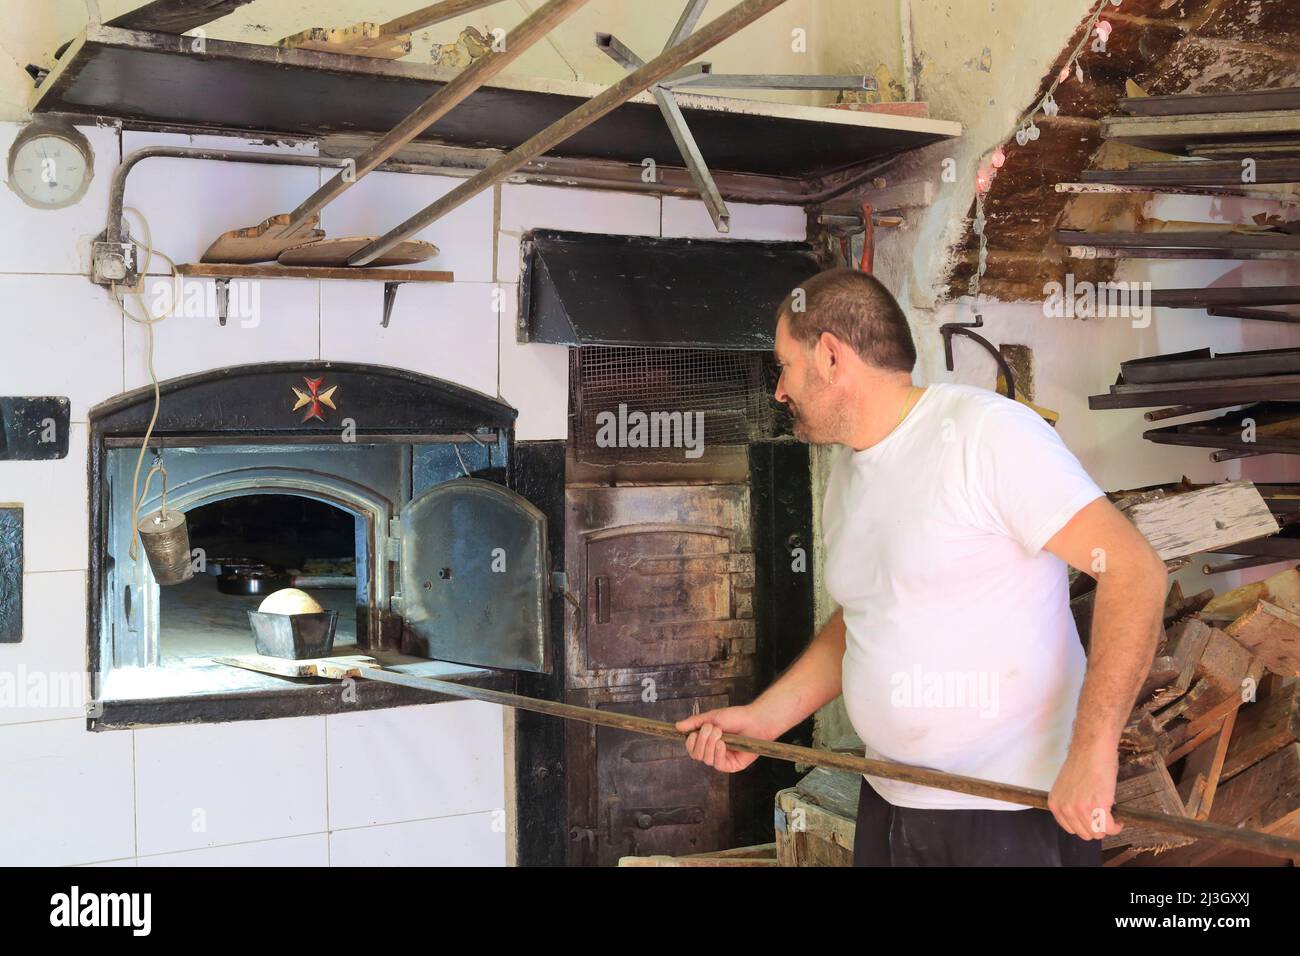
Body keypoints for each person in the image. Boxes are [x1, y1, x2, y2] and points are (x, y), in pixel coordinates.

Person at [676, 268, 1167, 866]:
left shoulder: (986, 435)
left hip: (1011, 813)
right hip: (891, 803)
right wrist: (763, 719)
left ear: (830, 355)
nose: (780, 390)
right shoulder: (850, 474)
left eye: (785, 365)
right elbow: (866, 618)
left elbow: (1134, 570)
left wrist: (1095, 753)